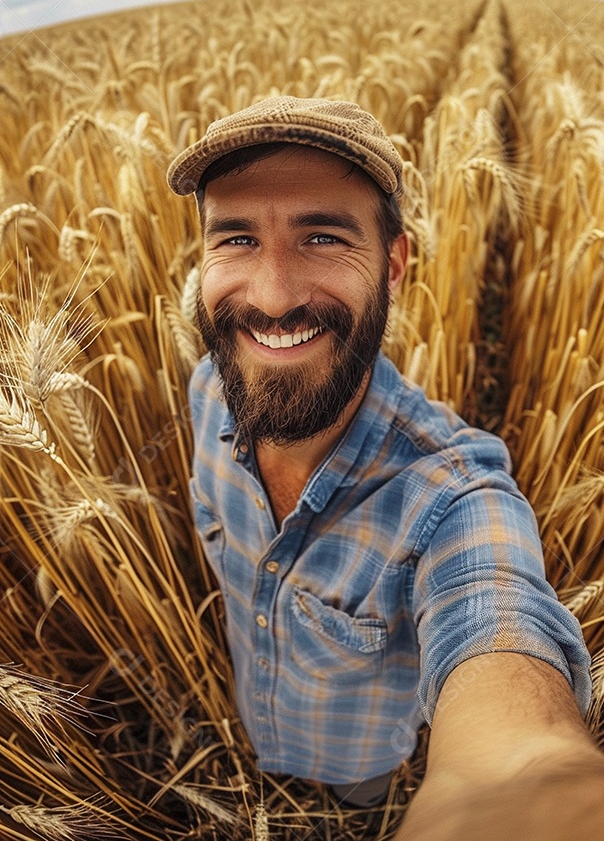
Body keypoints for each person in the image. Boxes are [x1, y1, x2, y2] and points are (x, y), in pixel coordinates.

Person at [167, 96, 604, 839]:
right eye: (236, 238)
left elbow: (495, 630)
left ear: (394, 265)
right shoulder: (208, 390)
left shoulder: (452, 500)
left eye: (323, 237)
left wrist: (525, 795)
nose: (271, 296)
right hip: (248, 710)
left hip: (360, 759)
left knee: (360, 793)